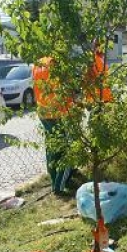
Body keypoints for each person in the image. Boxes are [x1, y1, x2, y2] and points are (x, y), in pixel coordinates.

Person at [32, 57, 74, 194]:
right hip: (59, 113)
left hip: (44, 113)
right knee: (66, 150)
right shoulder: (59, 63)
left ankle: (54, 180)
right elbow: (68, 89)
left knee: (52, 148)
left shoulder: (37, 64)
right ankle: (59, 187)